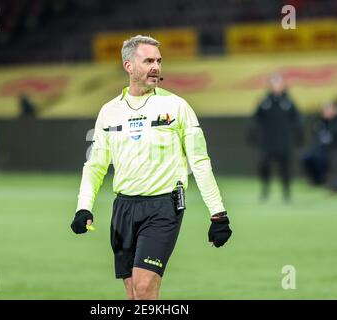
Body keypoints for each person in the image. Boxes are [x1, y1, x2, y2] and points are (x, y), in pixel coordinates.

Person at [70, 35, 232, 300]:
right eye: (148, 61)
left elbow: (200, 162)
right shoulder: (109, 112)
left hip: (163, 207)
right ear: (129, 66)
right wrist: (83, 207)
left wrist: (218, 214)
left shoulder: (176, 106)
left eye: (159, 60)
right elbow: (95, 165)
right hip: (123, 208)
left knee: (145, 287)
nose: (156, 66)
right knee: (133, 292)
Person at [248, 73, 303, 202]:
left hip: (284, 141)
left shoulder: (288, 102)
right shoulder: (265, 101)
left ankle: (286, 192)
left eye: (279, 84)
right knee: (264, 165)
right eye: (274, 84)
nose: (277, 87)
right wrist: (254, 134)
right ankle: (265, 190)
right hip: (268, 141)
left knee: (285, 167)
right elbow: (256, 118)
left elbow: (297, 119)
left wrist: (297, 135)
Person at [301, 103, 337, 186]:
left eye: (329, 110)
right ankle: (316, 179)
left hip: (334, 149)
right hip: (319, 149)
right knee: (307, 157)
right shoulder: (319, 121)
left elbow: (336, 138)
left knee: (322, 157)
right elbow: (316, 136)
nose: (327, 112)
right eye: (325, 110)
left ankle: (322, 179)